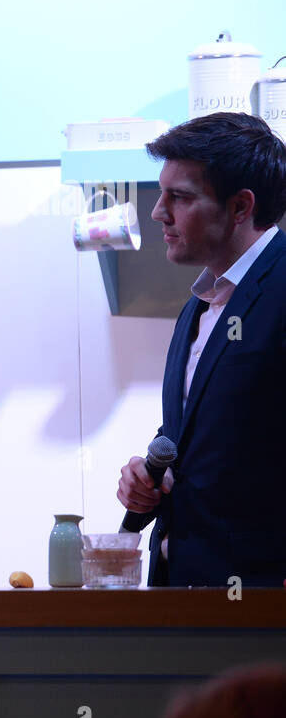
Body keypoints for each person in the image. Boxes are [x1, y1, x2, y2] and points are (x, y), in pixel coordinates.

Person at [116, 112, 286, 587]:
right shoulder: (201, 303)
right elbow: (206, 431)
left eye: (181, 197)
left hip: (259, 603)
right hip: (182, 588)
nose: (158, 211)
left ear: (239, 207)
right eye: (161, 193)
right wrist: (150, 476)